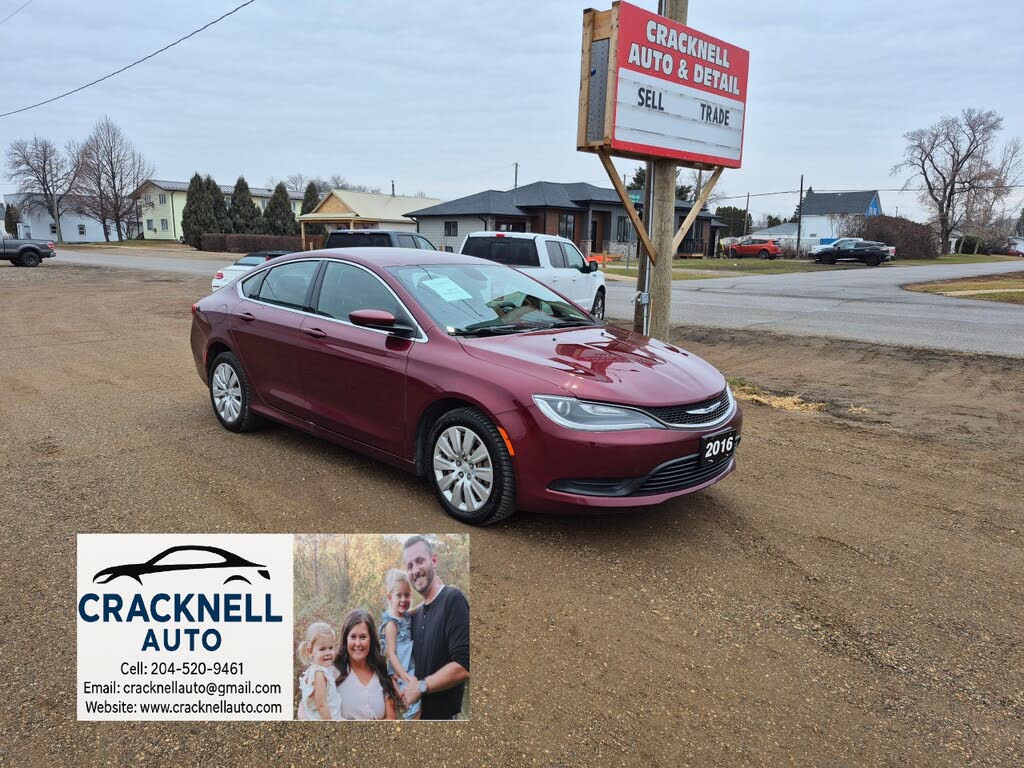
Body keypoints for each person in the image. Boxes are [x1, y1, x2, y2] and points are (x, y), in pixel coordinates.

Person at [400, 535, 470, 720]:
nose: (415, 570)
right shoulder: (415, 616)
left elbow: (464, 665)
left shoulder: (453, 600)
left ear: (434, 560)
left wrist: (421, 687)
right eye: (409, 566)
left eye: (419, 561)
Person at [333, 608, 398, 720]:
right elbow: (308, 708)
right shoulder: (333, 671)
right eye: (353, 637)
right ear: (346, 639)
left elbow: (391, 717)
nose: (357, 643)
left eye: (363, 637)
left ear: (371, 639)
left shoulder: (381, 670)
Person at [379, 569, 420, 720]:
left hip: (410, 668)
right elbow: (391, 654)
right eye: (399, 595)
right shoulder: (391, 623)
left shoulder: (404, 616)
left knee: (417, 703)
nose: (404, 599)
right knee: (414, 705)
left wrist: (434, 597)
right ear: (390, 597)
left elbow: (417, 609)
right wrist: (405, 677)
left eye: (407, 595)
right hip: (402, 670)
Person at [296, 622, 341, 721]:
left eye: (330, 648)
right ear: (310, 651)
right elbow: (321, 705)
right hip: (324, 719)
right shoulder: (319, 673)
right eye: (322, 649)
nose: (328, 653)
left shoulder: (319, 669)